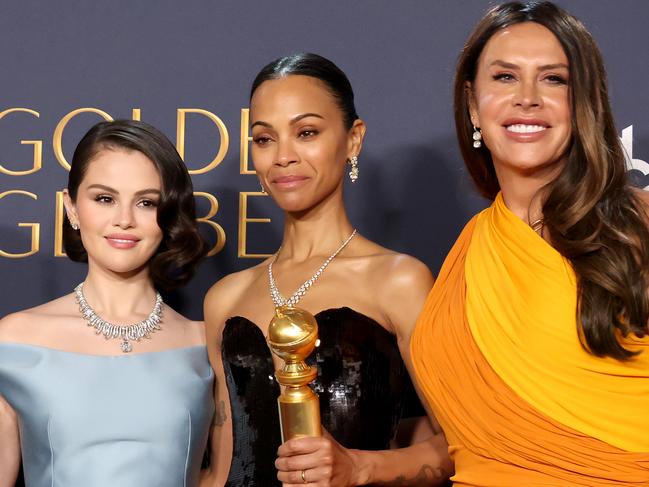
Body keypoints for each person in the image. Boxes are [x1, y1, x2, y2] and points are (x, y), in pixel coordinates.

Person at [410, 2, 649, 485]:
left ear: (583, 103)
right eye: (504, 77)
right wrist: (362, 465)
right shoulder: (470, 251)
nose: (527, 99)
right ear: (474, 104)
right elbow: (475, 443)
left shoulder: (639, 224)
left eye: (553, 79)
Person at [201, 53, 452, 486]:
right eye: (264, 139)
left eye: (306, 133)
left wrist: (360, 467)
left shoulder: (398, 281)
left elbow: (460, 445)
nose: (283, 157)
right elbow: (224, 464)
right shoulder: (225, 297)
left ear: (353, 139)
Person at [0, 120, 214, 487]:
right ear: (71, 208)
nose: (124, 220)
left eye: (147, 202)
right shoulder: (14, 341)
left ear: (168, 215)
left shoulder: (205, 345)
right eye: (104, 198)